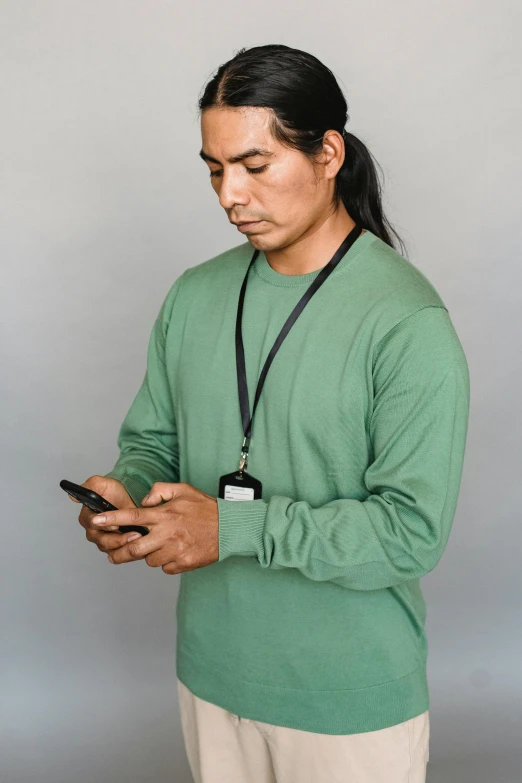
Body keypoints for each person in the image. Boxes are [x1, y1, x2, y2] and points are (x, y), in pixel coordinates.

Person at [72, 44, 470, 783]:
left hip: (349, 703)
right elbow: (153, 439)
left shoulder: (406, 321)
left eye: (255, 166)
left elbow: (410, 533)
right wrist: (128, 488)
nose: (231, 194)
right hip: (212, 680)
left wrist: (231, 528)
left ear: (328, 152)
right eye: (215, 168)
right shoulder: (194, 295)